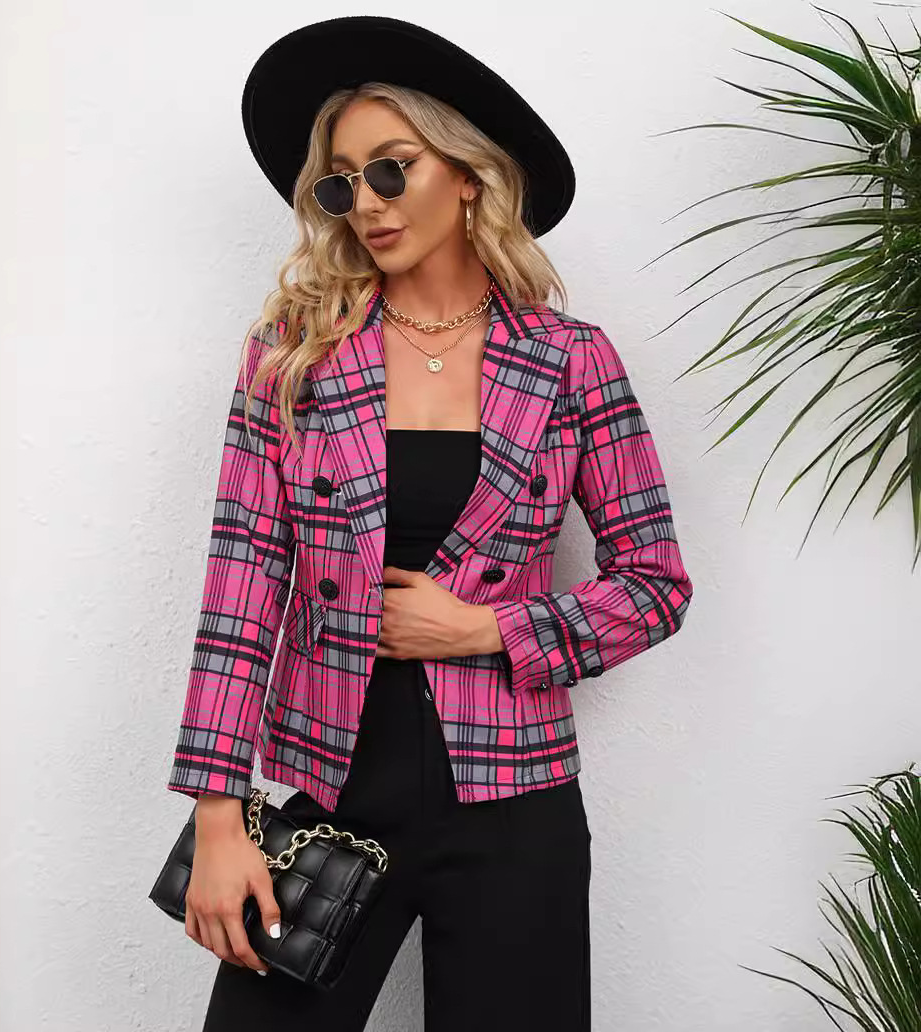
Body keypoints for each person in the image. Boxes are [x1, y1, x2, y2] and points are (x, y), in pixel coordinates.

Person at [164, 15, 694, 1031]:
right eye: (340, 183)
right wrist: (220, 815)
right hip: (331, 796)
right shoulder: (294, 355)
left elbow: (655, 583)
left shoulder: (570, 361)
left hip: (515, 807)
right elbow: (241, 587)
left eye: (390, 168)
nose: (365, 202)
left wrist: (487, 627)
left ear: (467, 174)